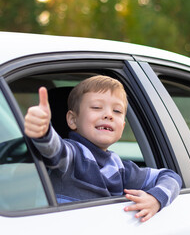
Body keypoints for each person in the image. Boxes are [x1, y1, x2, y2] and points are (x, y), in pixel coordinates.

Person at [24, 75, 182, 222]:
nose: (108, 115)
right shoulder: (73, 154)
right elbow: (54, 149)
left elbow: (170, 176)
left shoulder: (119, 167)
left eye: (117, 111)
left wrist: (156, 199)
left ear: (123, 126)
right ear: (72, 120)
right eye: (97, 107)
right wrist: (43, 131)